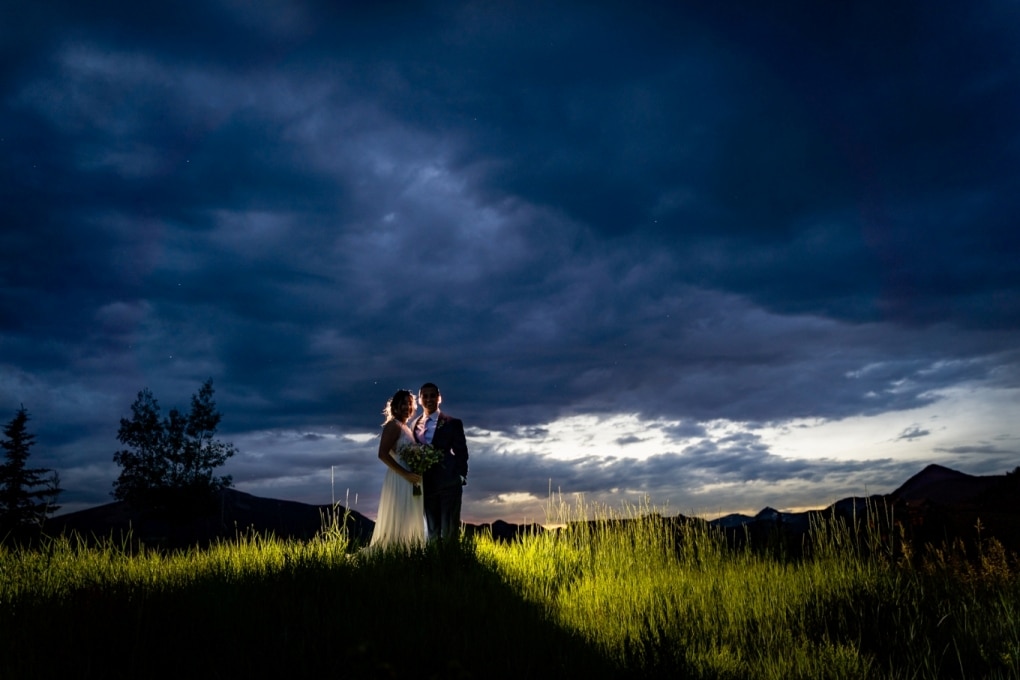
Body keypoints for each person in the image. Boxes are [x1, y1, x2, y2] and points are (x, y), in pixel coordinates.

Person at [368, 389, 425, 549]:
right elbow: (382, 454)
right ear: (395, 406)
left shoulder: (406, 427)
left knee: (409, 515)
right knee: (400, 513)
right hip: (400, 478)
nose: (407, 407)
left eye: (410, 403)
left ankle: (408, 550)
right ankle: (396, 551)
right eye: (403, 404)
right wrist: (406, 474)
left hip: (411, 479)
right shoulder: (393, 425)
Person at [413, 382, 468, 542]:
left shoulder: (452, 423)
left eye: (433, 396)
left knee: (450, 530)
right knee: (432, 532)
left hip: (449, 483)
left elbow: (461, 452)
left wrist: (461, 476)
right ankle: (434, 564)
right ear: (420, 399)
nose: (429, 399)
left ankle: (452, 564)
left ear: (439, 398)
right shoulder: (414, 424)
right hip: (427, 485)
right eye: (425, 396)